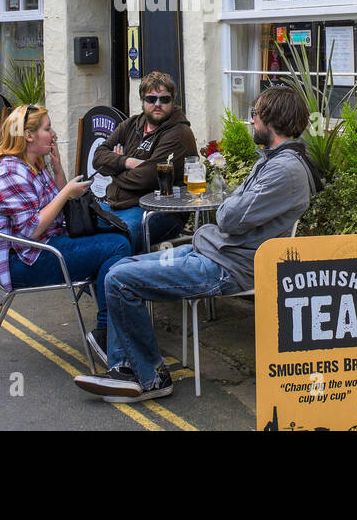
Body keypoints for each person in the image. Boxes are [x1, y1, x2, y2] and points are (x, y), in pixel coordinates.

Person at [74, 85, 322, 403]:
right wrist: (231, 204)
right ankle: (125, 369)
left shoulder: (284, 170)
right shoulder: (273, 160)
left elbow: (229, 217)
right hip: (214, 250)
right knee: (118, 268)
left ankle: (150, 378)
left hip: (228, 265)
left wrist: (231, 205)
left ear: (270, 120)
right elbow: (232, 205)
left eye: (254, 115)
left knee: (121, 279)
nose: (251, 122)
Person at [0, 104, 131, 355]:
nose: (53, 135)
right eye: (47, 129)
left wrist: (58, 170)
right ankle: (107, 332)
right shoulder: (9, 173)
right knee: (118, 246)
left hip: (45, 246)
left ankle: (110, 331)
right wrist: (67, 192)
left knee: (120, 236)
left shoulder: (32, 164)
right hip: (24, 262)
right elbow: (31, 230)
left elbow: (58, 205)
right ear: (29, 136)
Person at [90, 71, 198, 252]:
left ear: (173, 101)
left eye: (164, 99)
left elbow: (149, 177)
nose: (157, 104)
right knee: (81, 231)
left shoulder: (179, 133)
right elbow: (98, 157)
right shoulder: (131, 125)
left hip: (158, 211)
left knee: (115, 244)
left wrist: (115, 170)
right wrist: (126, 162)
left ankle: (112, 280)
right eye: (151, 99)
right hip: (115, 205)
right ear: (142, 100)